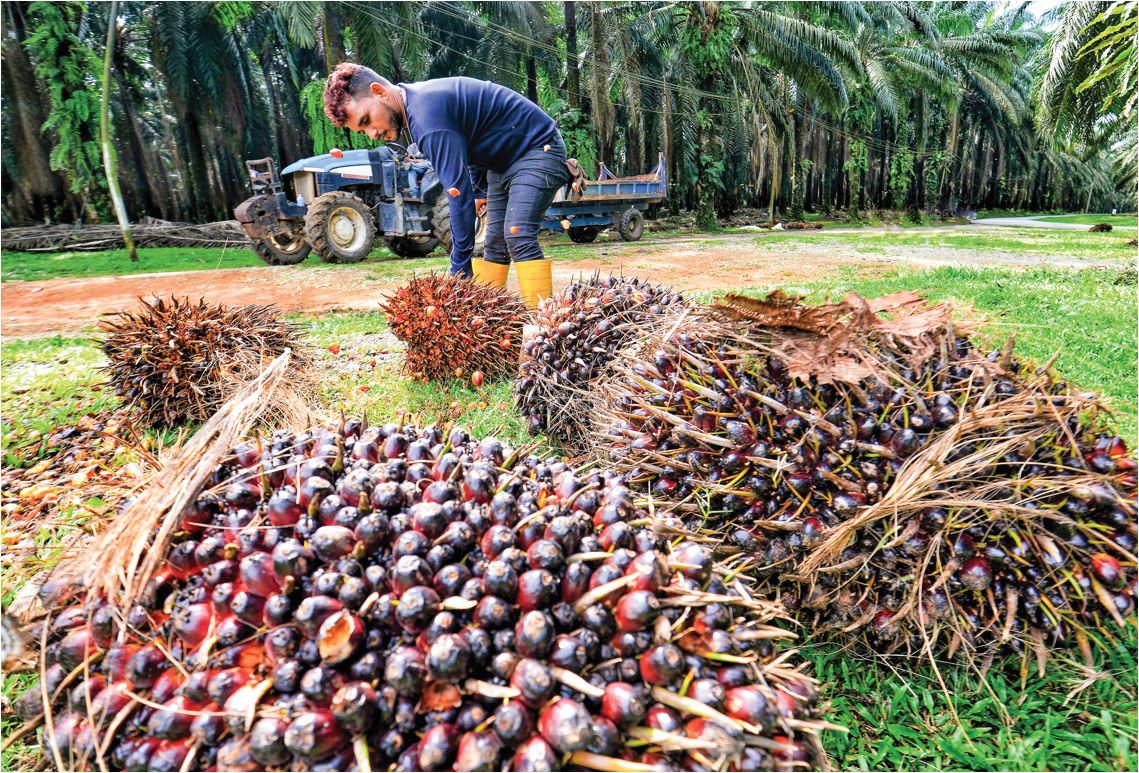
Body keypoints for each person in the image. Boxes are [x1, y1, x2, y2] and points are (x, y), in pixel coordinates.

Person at [323, 63, 570, 308]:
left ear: (379, 91)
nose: (372, 133)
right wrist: (479, 191)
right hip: (501, 164)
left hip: (538, 148)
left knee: (518, 235)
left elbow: (457, 195)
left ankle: (543, 323)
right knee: (494, 244)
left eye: (367, 120)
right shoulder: (416, 104)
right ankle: (489, 320)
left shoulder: (427, 119)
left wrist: (459, 271)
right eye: (362, 130)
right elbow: (475, 140)